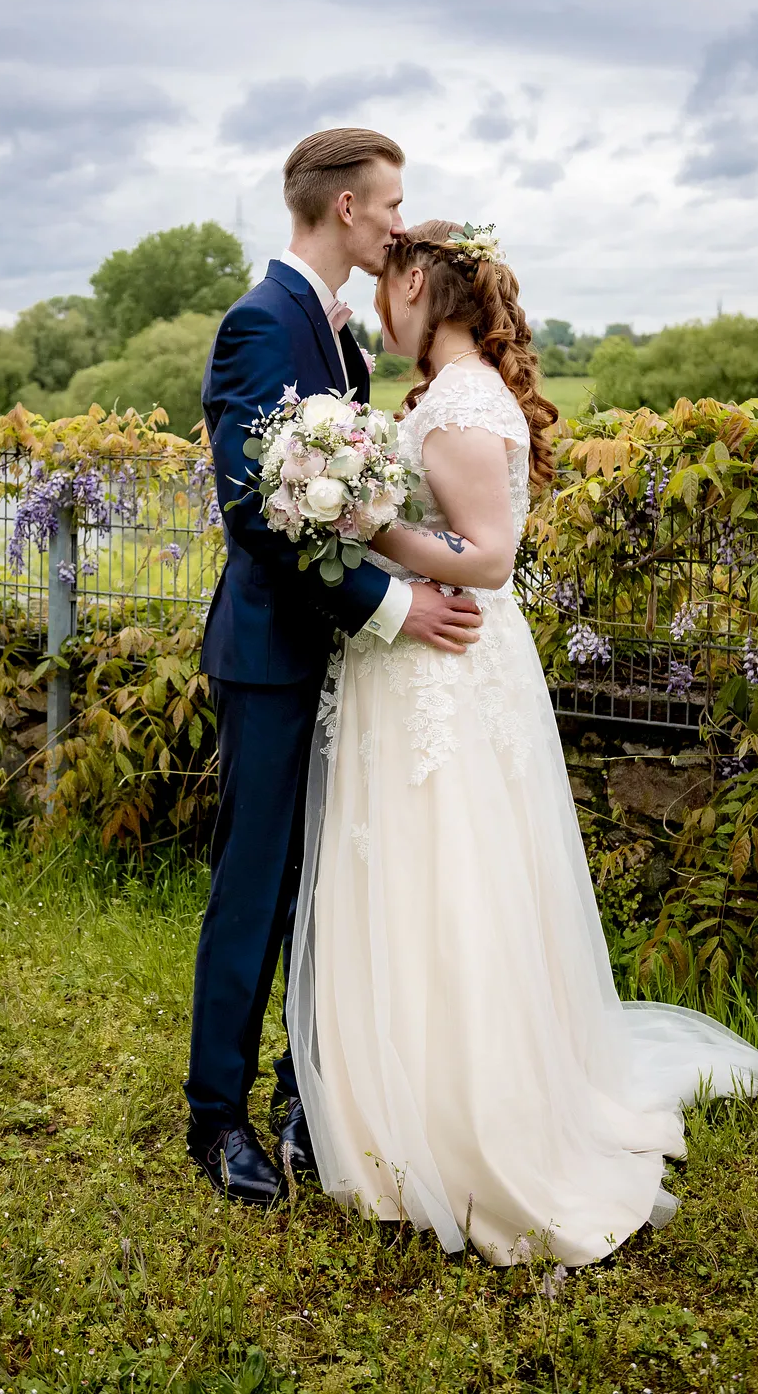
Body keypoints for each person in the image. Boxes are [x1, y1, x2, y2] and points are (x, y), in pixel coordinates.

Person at [287, 220, 758, 1266]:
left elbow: (490, 555)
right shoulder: (448, 397)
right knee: (433, 873)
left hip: (445, 665)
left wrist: (366, 530)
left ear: (419, 282)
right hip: (434, 665)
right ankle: (403, 1104)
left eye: (390, 285)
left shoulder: (461, 401)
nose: (382, 302)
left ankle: (463, 1123)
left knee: (450, 874)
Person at [188, 136, 483, 1204]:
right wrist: (398, 606)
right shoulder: (260, 323)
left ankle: (307, 1093)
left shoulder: (339, 337)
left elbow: (348, 503)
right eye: (393, 206)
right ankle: (215, 1117)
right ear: (347, 208)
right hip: (274, 658)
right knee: (256, 890)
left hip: (343, 669)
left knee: (334, 887)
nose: (402, 228)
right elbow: (261, 516)